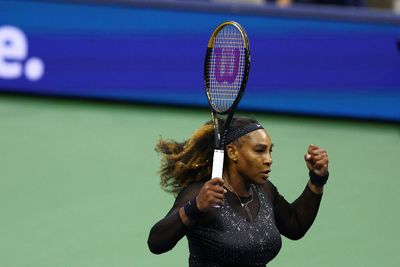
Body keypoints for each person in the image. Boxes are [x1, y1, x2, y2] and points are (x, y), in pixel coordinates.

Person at [148, 117, 329, 267]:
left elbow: (294, 225)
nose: (268, 160)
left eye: (270, 151)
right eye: (259, 151)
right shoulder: (202, 195)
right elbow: (156, 243)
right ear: (233, 153)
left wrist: (317, 181)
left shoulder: (265, 191)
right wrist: (195, 207)